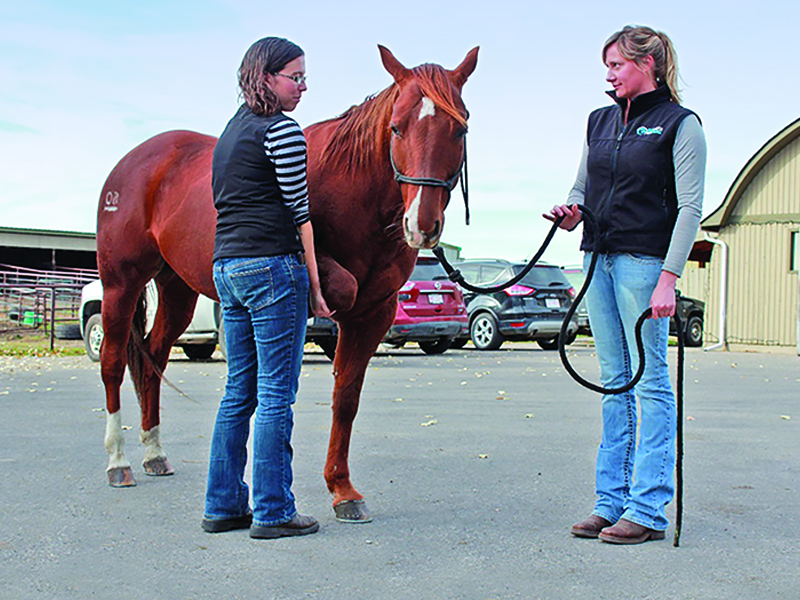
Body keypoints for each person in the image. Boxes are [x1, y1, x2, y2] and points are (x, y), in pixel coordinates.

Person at [545, 25, 706, 544]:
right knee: (614, 384)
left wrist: (668, 279)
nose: (609, 74)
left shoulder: (680, 125)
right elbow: (582, 184)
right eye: (607, 65)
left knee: (650, 383)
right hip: (598, 260)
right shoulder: (600, 121)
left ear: (650, 63)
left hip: (643, 265)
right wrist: (571, 213)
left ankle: (649, 510)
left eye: (617, 64)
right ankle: (609, 502)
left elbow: (690, 209)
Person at [201, 37, 332, 539]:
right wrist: (316, 287)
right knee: (277, 393)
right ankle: (273, 511)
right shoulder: (283, 131)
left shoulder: (231, 132)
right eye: (294, 77)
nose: (302, 86)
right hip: (271, 267)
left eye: (304, 78)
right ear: (266, 77)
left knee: (239, 391)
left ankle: (223, 506)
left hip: (227, 268)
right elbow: (301, 214)